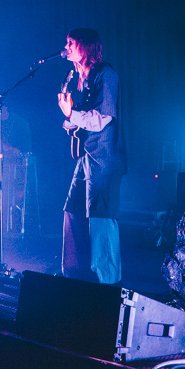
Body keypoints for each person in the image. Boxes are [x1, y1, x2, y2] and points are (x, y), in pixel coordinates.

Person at [57, 28, 125, 284]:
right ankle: (74, 274)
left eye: (71, 42)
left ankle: (107, 282)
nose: (66, 46)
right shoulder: (81, 77)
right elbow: (83, 118)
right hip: (87, 157)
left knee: (101, 217)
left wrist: (71, 115)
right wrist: (71, 120)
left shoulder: (106, 74)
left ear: (85, 46)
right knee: (72, 210)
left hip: (105, 159)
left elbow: (103, 118)